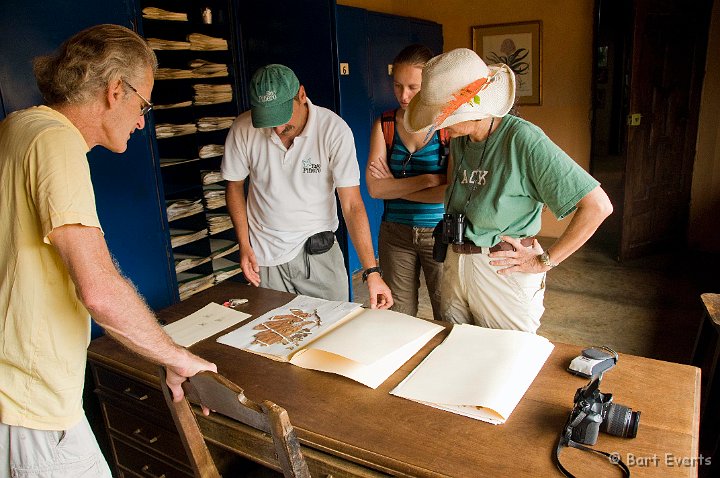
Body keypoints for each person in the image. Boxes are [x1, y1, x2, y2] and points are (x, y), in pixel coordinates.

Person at [0, 25, 216, 477]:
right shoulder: (56, 142)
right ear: (116, 90)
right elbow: (97, 288)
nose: (142, 121)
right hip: (30, 402)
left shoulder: (17, 126)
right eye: (144, 105)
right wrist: (176, 356)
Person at [404, 48, 613, 333]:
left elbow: (598, 206)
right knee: (459, 351)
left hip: (502, 270)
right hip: (456, 262)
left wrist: (545, 261)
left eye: (443, 116)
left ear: (474, 110)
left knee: (507, 358)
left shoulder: (523, 139)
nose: (438, 125)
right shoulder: (461, 140)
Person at [222, 64, 393, 308]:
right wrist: (244, 245)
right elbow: (234, 186)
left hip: (318, 254)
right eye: (269, 120)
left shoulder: (333, 130)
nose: (278, 129)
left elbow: (352, 204)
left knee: (333, 331)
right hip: (266, 257)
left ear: (301, 95)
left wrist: (371, 272)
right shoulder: (243, 127)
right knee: (275, 335)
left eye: (282, 118)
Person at [365, 44, 447, 320]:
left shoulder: (448, 126)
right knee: (397, 316)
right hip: (395, 234)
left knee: (448, 313)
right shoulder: (385, 124)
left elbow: (447, 194)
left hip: (440, 233)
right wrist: (427, 179)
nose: (403, 95)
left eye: (413, 87)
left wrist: (396, 188)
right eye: (398, 86)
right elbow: (375, 189)